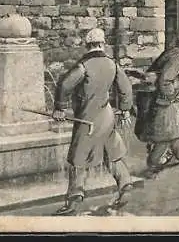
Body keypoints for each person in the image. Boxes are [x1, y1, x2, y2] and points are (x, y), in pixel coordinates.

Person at [52, 28, 134, 215]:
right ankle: (125, 184)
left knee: (77, 159)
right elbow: (125, 87)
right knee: (112, 153)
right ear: (102, 44)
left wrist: (60, 108)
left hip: (87, 119)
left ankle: (74, 200)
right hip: (107, 116)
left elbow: (65, 85)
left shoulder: (84, 66)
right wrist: (125, 109)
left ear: (87, 45)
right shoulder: (112, 64)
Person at [141, 27, 179, 179]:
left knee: (176, 127)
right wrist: (174, 96)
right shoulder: (178, 58)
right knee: (166, 135)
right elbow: (165, 81)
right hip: (162, 100)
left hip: (161, 99)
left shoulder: (177, 53)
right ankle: (153, 165)